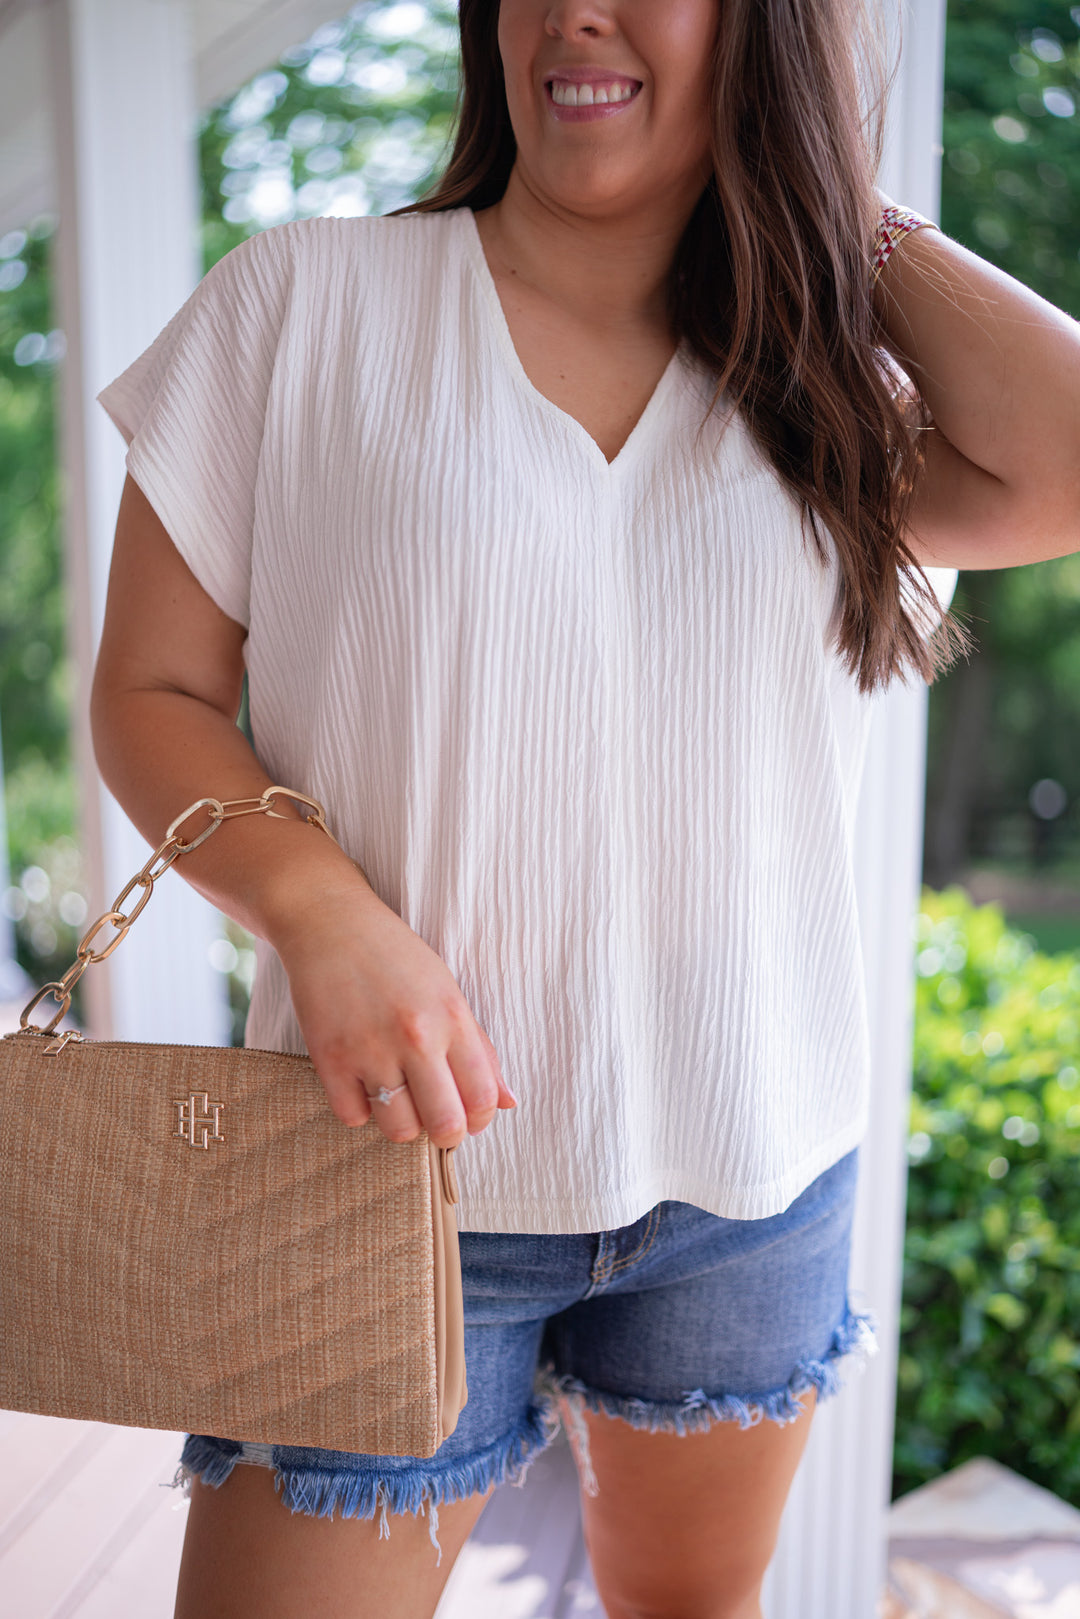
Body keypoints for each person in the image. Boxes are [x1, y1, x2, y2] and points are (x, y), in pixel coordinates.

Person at [91, 1, 1080, 1615]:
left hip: (747, 1171)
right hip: (376, 1175)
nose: (574, 11)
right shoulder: (302, 303)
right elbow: (152, 695)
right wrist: (322, 910)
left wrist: (832, 208)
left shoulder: (830, 383)